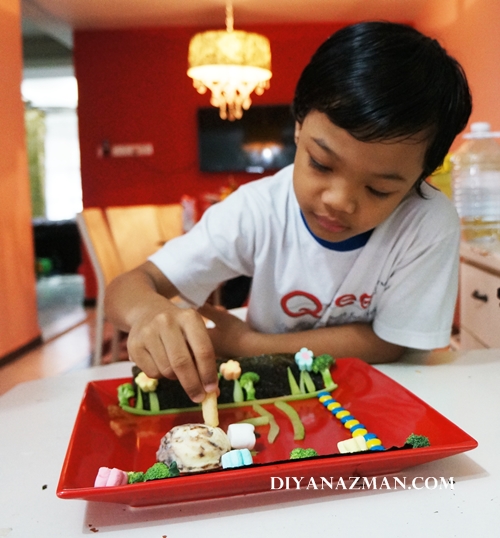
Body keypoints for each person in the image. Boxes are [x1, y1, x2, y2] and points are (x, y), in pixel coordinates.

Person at [105, 21, 472, 403]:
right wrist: (148, 313)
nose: (338, 200)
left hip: (385, 397)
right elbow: (127, 286)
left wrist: (249, 344)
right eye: (321, 164)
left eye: (379, 188)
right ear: (298, 127)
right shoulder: (258, 208)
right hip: (271, 398)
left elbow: (389, 343)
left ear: (421, 177)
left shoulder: (428, 222)